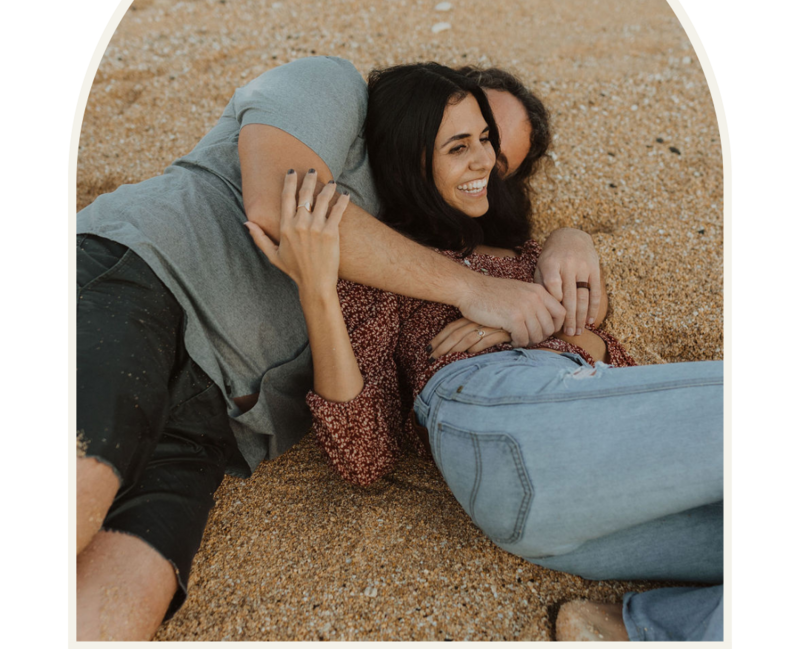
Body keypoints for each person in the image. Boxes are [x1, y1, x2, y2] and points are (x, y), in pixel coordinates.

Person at [74, 56, 601, 640]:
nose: (480, 158)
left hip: (221, 418)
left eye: (495, 157)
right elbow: (279, 205)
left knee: (123, 604)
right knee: (83, 483)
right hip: (147, 281)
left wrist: (564, 242)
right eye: (467, 131)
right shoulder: (333, 89)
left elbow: (571, 329)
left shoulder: (427, 251)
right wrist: (477, 291)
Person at [245, 62, 724, 642]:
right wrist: (318, 290)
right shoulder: (386, 271)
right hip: (493, 415)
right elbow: (363, 457)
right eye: (459, 147)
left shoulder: (523, 257)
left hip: (554, 510)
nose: (485, 163)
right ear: (409, 158)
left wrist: (522, 320)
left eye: (488, 143)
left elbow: (610, 360)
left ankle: (642, 629)